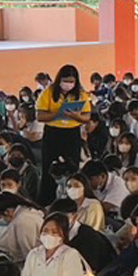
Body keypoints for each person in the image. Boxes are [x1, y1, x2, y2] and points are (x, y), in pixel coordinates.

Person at [34, 64, 92, 206]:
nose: (68, 84)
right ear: (59, 79)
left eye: (71, 81)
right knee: (49, 168)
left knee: (72, 167)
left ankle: (72, 198)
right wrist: (57, 113)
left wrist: (76, 116)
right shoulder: (48, 92)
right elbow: (39, 115)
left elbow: (87, 117)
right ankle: (46, 201)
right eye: (65, 80)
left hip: (72, 134)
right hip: (53, 133)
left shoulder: (81, 94)